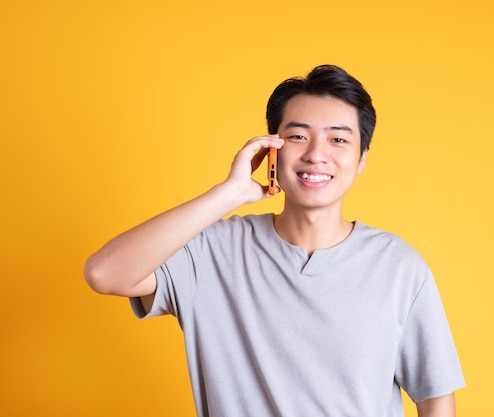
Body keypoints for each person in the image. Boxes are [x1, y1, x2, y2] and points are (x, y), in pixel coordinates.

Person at [84, 64, 465, 417]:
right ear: (271, 148)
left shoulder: (397, 265)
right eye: (298, 136)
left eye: (338, 140)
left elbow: (434, 396)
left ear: (362, 157)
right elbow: (104, 273)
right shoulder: (214, 252)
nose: (317, 155)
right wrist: (229, 193)